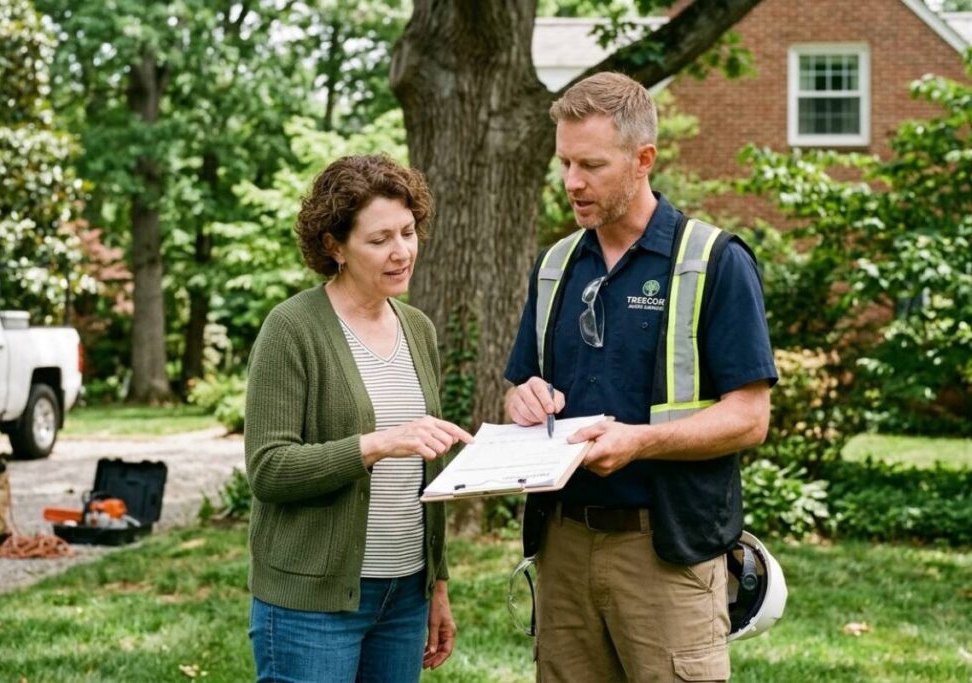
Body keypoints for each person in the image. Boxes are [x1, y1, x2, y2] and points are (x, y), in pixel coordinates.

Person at [504, 72, 778, 682]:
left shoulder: (714, 261)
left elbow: (750, 417)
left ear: (642, 159)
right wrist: (521, 399)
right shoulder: (555, 266)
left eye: (592, 165)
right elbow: (519, 387)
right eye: (565, 162)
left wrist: (638, 442)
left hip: (665, 550)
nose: (573, 182)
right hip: (563, 549)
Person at [244, 154, 471, 683]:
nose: (401, 252)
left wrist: (437, 586)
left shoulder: (418, 328)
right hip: (312, 605)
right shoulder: (291, 329)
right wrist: (376, 445)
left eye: (408, 232)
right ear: (334, 246)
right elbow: (269, 469)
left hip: (404, 596)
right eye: (379, 240)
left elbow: (425, 471)